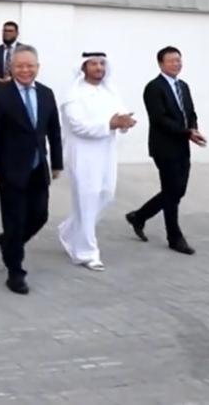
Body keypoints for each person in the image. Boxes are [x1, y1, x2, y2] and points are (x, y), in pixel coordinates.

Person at [0, 45, 63, 295]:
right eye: (19, 66)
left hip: (38, 168)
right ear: (11, 68)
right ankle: (15, 272)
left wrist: (57, 163)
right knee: (14, 222)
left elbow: (54, 130)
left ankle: (9, 243)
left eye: (30, 66)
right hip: (10, 170)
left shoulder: (46, 94)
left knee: (40, 215)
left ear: (38, 67)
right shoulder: (1, 96)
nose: (25, 70)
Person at [56, 52, 136, 272]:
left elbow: (120, 115)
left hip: (107, 152)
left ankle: (68, 231)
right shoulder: (73, 94)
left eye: (102, 63)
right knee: (87, 200)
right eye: (94, 63)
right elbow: (78, 126)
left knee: (106, 195)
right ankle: (86, 253)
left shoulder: (110, 91)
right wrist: (110, 124)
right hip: (82, 154)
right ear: (84, 67)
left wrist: (125, 122)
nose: (99, 67)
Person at [126, 46, 205, 255]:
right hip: (164, 147)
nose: (176, 64)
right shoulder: (154, 87)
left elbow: (190, 112)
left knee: (177, 191)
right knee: (172, 192)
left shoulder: (183, 86)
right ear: (161, 64)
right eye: (171, 61)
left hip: (182, 144)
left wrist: (193, 129)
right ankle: (174, 237)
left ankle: (139, 216)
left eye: (178, 60)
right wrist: (186, 132)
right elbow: (159, 119)